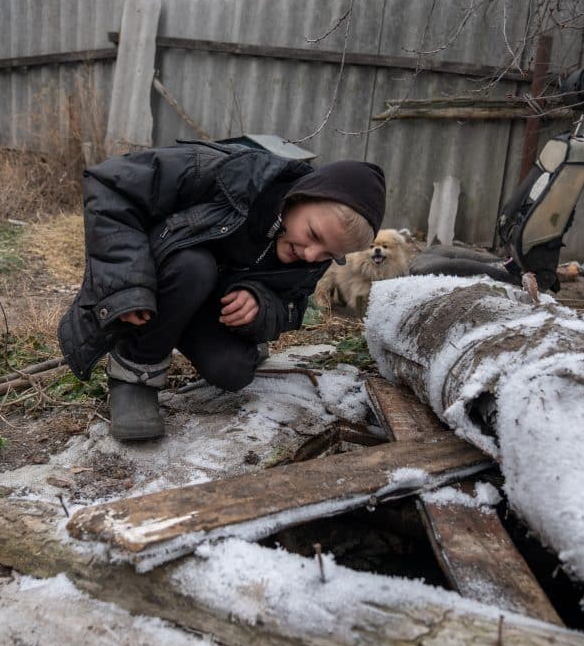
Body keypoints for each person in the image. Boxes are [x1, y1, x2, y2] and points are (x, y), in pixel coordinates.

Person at [58, 140, 386, 441]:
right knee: (194, 266)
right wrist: (127, 286)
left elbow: (293, 307)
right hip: (158, 283)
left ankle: (180, 331)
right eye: (313, 234)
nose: (313, 255)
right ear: (299, 196)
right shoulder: (221, 172)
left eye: (330, 254)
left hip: (204, 305)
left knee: (233, 372)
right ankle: (134, 374)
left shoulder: (313, 254)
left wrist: (261, 306)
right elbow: (108, 184)